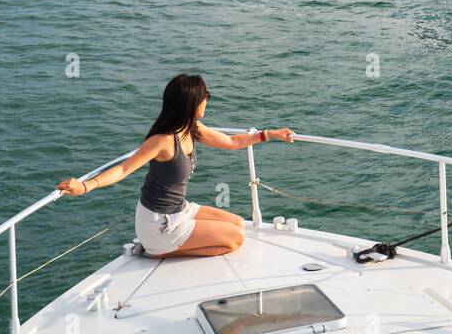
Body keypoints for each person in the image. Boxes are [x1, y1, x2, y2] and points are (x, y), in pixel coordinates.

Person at [56, 73, 294, 258]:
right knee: (236, 239)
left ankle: (166, 247)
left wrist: (270, 134)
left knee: (238, 223)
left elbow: (232, 142)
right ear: (191, 103)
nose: (207, 101)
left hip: (179, 210)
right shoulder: (162, 141)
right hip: (159, 224)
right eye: (205, 97)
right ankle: (161, 251)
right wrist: (85, 186)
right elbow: (124, 169)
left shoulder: (192, 129)